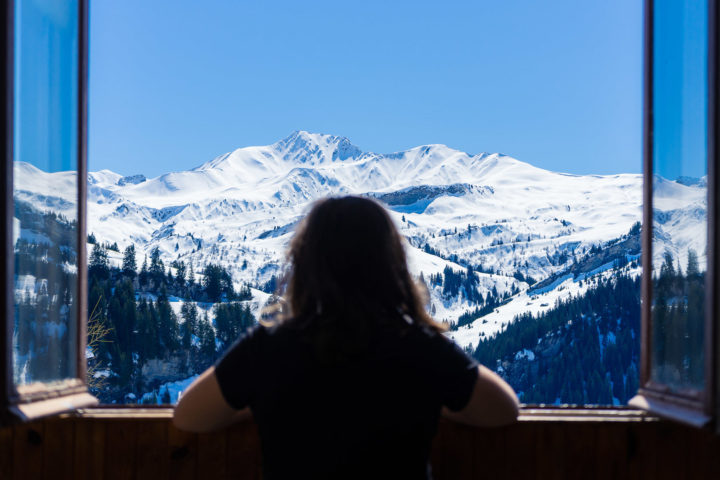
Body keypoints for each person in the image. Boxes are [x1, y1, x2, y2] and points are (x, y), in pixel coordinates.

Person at [173, 196, 519, 479]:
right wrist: (431, 401)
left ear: (306, 264)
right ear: (391, 265)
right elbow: (503, 409)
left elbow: (189, 416)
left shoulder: (271, 348)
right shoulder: (417, 345)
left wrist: (262, 404)